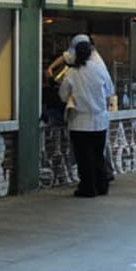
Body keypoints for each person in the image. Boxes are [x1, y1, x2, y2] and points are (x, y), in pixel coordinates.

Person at [58, 38, 112, 197]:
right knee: (98, 155)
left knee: (84, 158)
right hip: (100, 120)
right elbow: (109, 91)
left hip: (79, 122)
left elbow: (63, 95)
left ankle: (88, 188)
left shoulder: (72, 73)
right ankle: (102, 185)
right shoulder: (100, 69)